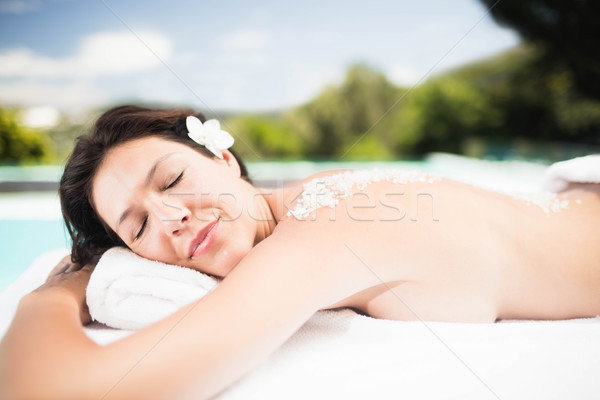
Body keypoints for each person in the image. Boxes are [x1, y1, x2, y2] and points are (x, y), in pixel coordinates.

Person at [1, 105, 599, 399]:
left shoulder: (322, 233)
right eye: (136, 229)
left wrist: (51, 297)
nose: (172, 217)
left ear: (224, 159)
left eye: (174, 180)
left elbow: (52, 389)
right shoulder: (307, 203)